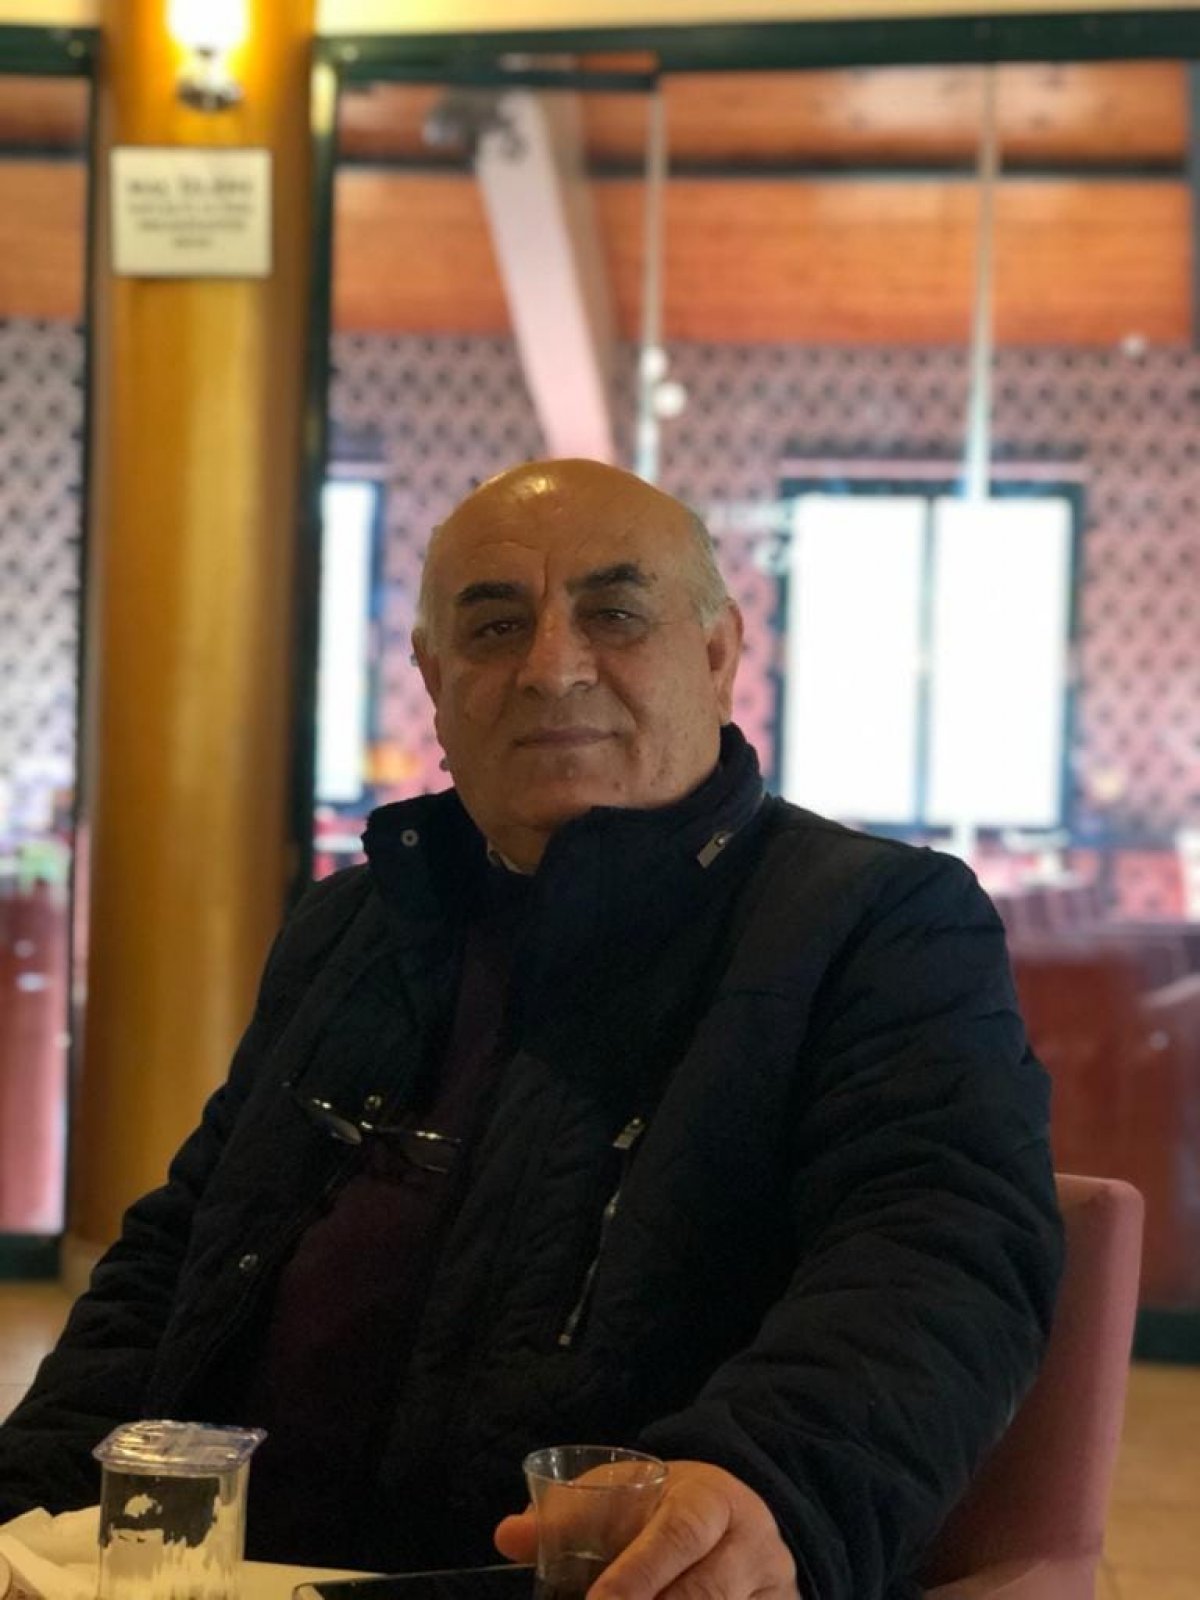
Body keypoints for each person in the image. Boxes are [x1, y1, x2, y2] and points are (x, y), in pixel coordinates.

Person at [0, 459, 1062, 1600]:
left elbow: (936, 1250)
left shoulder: (876, 924)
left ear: (717, 655)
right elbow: (184, 1255)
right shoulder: (354, 925)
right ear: (435, 677)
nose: (554, 667)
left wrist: (766, 1483)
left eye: (615, 614)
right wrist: (24, 1497)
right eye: (497, 626)